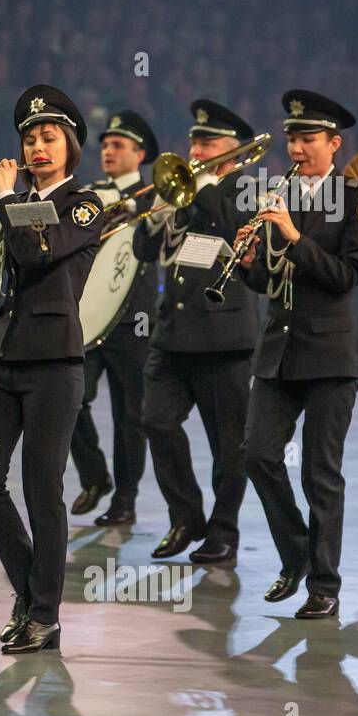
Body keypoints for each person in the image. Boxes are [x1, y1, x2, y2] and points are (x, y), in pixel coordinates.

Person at [0, 85, 104, 653]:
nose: (37, 146)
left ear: (69, 145)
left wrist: (3, 199)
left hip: (54, 364)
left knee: (43, 489)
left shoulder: (84, 204)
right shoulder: (12, 203)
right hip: (5, 358)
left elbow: (38, 252)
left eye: (48, 138)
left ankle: (44, 614)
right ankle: (29, 587)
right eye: (29, 138)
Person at [237, 90, 358, 619]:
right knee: (256, 454)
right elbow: (270, 280)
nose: (296, 147)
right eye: (292, 137)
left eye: (308, 138)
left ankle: (324, 584)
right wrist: (249, 260)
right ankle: (297, 553)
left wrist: (293, 235)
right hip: (279, 349)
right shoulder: (279, 192)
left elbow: (344, 277)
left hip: (329, 355)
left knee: (319, 473)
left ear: (334, 143)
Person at [134, 100, 260, 564]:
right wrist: (153, 216)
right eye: (194, 141)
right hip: (173, 332)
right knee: (155, 420)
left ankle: (223, 533)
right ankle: (186, 516)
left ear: (232, 150)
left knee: (229, 446)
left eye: (206, 142)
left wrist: (203, 187)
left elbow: (237, 229)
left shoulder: (247, 187)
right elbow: (147, 251)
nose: (195, 149)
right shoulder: (182, 190)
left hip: (224, 337)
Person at [69, 109, 159, 525]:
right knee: (69, 400)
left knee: (131, 415)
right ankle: (95, 476)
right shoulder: (91, 194)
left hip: (133, 322)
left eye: (118, 145)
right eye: (105, 145)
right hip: (90, 318)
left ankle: (126, 497)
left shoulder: (154, 195)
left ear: (139, 153)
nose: (108, 150)